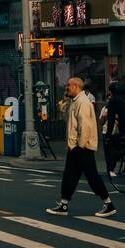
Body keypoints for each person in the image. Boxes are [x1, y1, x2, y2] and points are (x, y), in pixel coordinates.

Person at [47, 77, 116, 218]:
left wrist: (80, 145)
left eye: (68, 86)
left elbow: (85, 126)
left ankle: (109, 204)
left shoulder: (83, 102)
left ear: (76, 86)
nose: (66, 88)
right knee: (70, 175)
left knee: (91, 176)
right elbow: (64, 113)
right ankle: (64, 204)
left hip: (81, 147)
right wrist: (65, 100)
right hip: (76, 146)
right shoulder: (75, 101)